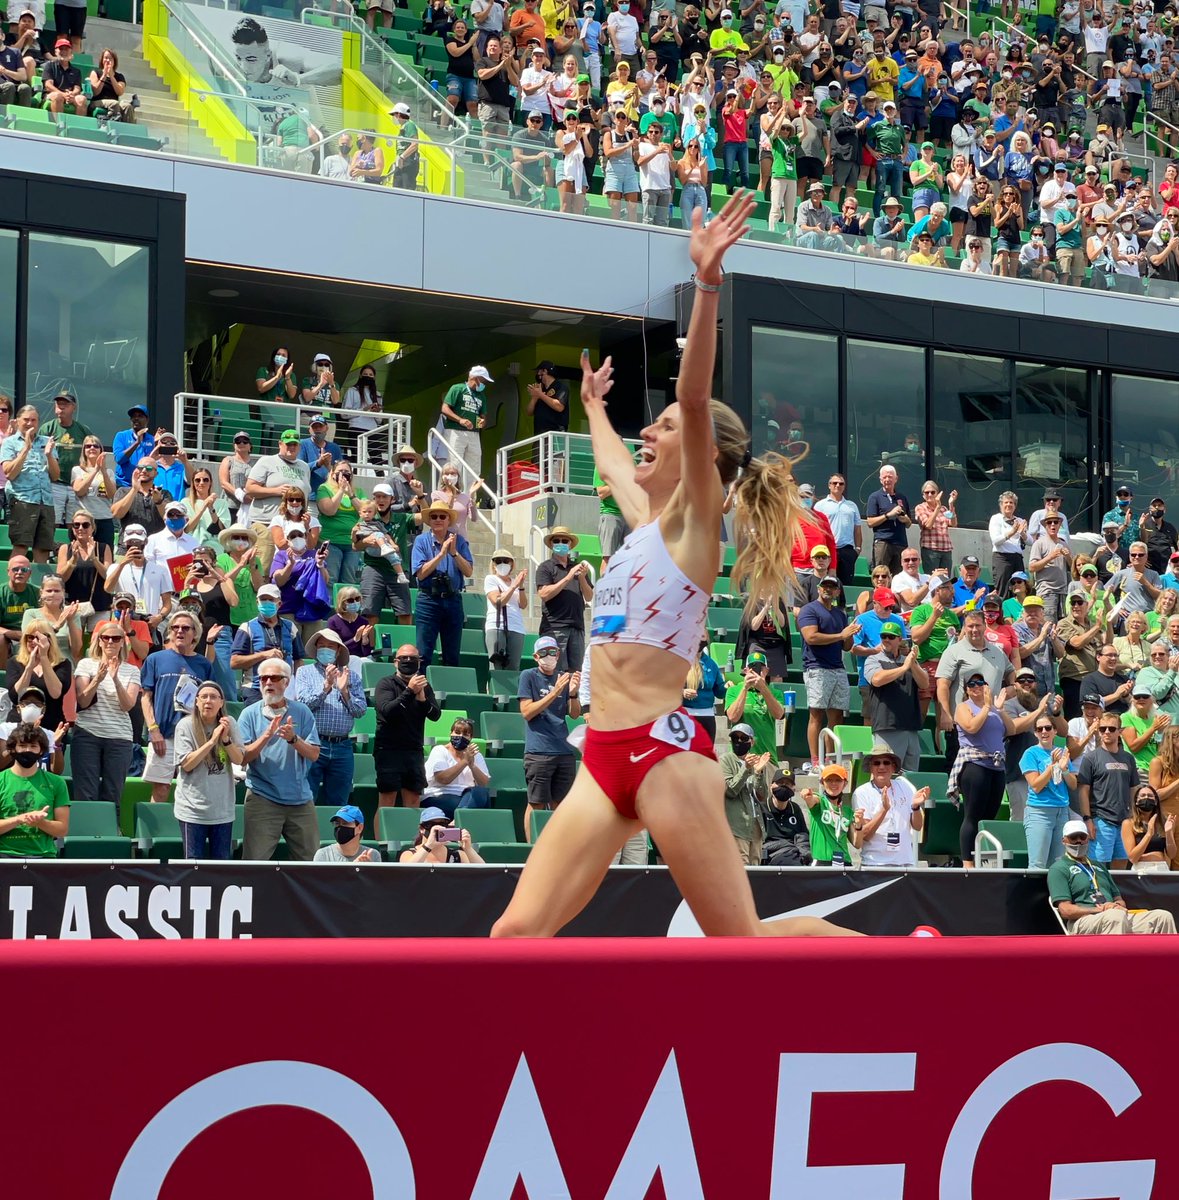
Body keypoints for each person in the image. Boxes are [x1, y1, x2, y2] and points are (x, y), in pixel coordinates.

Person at [493, 194, 860, 940]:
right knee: (514, 937)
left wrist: (707, 286)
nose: (647, 435)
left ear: (703, 457)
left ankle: (912, 970)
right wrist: (592, 408)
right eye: (647, 427)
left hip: (663, 753)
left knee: (741, 944)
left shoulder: (697, 521)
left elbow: (693, 400)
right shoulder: (641, 525)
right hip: (600, 755)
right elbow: (610, 461)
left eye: (656, 428)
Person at [1048, 819, 1176, 933]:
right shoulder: (1059, 868)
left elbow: (1119, 899)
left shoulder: (1099, 866)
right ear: (1064, 840)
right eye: (1073, 837)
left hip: (1113, 915)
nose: (1078, 841)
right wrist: (1101, 910)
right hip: (1083, 920)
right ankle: (1116, 960)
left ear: (1088, 839)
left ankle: (1168, 960)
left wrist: (1116, 905)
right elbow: (1065, 910)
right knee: (1115, 917)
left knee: (1163, 917)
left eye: (1082, 837)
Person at [139, 610, 213, 803]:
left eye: (185, 628)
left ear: (195, 633)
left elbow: (210, 701)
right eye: (175, 627)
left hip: (193, 737)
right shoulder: (155, 659)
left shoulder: (204, 664)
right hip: (162, 735)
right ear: (169, 632)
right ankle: (152, 834)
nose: (180, 631)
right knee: (161, 789)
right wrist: (153, 730)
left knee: (191, 789)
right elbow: (146, 698)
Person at [70, 617, 139, 818]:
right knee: (86, 793)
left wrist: (115, 678)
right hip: (88, 734)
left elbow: (127, 705)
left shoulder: (132, 670)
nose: (110, 641)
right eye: (106, 637)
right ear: (99, 640)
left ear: (122, 642)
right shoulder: (86, 664)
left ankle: (110, 836)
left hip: (119, 738)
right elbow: (83, 701)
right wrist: (98, 679)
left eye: (115, 638)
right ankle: (86, 836)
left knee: (113, 794)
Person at [294, 628, 366, 807]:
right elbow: (304, 704)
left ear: (338, 650)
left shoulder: (352, 676)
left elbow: (360, 710)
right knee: (306, 799)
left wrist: (344, 691)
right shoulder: (305, 672)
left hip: (343, 746)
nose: (325, 649)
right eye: (322, 645)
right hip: (313, 742)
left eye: (330, 646)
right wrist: (326, 686)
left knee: (339, 802)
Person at [950, 675, 1016, 864]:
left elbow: (1010, 729)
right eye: (972, 684)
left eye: (981, 683)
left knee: (989, 815)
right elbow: (971, 727)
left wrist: (1000, 708)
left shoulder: (995, 708)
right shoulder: (964, 707)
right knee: (973, 814)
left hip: (996, 765)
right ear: (967, 689)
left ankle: (981, 857)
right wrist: (987, 706)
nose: (976, 687)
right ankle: (967, 863)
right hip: (974, 764)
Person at [519, 634, 581, 838]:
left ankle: (555, 846)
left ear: (558, 653)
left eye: (552, 652)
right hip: (539, 751)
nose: (549, 656)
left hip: (563, 750)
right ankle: (530, 848)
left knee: (560, 805)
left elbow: (573, 713)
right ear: (536, 656)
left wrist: (572, 693)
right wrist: (554, 693)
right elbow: (527, 711)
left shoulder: (563, 677)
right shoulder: (528, 676)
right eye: (544, 653)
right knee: (535, 803)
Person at [173, 681, 243, 860]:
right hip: (192, 810)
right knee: (193, 865)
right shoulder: (185, 725)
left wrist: (225, 739)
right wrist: (212, 741)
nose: (208, 701)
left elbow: (239, 759)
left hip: (222, 811)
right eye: (203, 697)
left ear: (221, 702)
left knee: (221, 866)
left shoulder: (230, 723)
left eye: (213, 697)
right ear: (196, 701)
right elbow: (187, 764)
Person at [796, 574, 858, 771]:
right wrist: (842, 634)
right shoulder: (809, 609)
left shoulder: (840, 615)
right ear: (819, 588)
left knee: (837, 715)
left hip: (838, 667)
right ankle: (815, 760)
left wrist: (852, 633)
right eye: (825, 586)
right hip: (816, 667)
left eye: (832, 586)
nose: (828, 589)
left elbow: (847, 646)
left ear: (838, 591)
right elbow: (811, 637)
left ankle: (830, 759)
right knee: (816, 714)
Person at [374, 644, 441, 812]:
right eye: (404, 658)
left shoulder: (424, 685)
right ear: (396, 662)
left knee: (413, 801)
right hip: (389, 750)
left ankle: (411, 838)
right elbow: (388, 712)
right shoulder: (386, 683)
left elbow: (435, 715)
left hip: (414, 751)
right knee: (387, 803)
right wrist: (410, 691)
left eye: (413, 658)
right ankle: (383, 838)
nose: (409, 661)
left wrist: (422, 700)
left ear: (419, 663)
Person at [412, 501, 473, 667]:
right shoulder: (421, 541)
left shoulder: (459, 541)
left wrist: (454, 553)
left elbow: (468, 571)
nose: (438, 519)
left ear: (448, 520)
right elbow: (421, 573)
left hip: (453, 599)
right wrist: (441, 554)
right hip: (428, 600)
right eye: (434, 516)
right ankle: (420, 691)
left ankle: (451, 690)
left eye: (442, 516)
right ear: (429, 520)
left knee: (452, 654)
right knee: (423, 653)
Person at [851, 742, 929, 867]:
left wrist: (915, 807)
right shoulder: (861, 793)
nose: (882, 767)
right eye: (877, 763)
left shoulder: (905, 786)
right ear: (871, 768)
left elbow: (918, 826)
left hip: (905, 862)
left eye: (886, 762)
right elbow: (865, 835)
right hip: (875, 863)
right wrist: (884, 809)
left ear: (893, 767)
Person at [244, 430, 311, 573]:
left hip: (292, 527)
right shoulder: (267, 461)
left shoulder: (304, 467)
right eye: (287, 444)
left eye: (294, 444)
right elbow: (249, 488)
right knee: (262, 567)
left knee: (288, 569)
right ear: (280, 444)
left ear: (299, 447)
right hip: (266, 523)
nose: (291, 447)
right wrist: (275, 491)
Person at [865, 621, 928, 770]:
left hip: (910, 726)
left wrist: (912, 664)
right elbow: (877, 679)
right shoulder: (873, 659)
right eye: (883, 636)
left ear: (900, 639)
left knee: (910, 777)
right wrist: (904, 667)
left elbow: (924, 683)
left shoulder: (908, 661)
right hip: (887, 725)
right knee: (885, 774)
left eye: (891, 637)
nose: (886, 639)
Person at [1077, 716, 1138, 867]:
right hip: (1101, 820)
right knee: (1098, 867)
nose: (1107, 732)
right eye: (1102, 729)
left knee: (1121, 868)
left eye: (1111, 729)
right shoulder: (1090, 758)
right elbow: (1083, 791)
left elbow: (1133, 789)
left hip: (1124, 821)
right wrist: (1087, 819)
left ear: (1120, 731)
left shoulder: (1128, 758)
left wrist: (1134, 817)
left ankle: (1116, 892)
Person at [230, 582, 305, 705]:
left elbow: (299, 660)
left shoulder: (290, 627)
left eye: (270, 600)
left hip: (285, 689)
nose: (266, 602)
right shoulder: (247, 627)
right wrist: (263, 655)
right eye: (263, 599)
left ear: (279, 604)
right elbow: (234, 662)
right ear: (257, 602)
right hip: (255, 689)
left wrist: (299, 684)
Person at [1, 404, 59, 563]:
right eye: (26, 420)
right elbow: (10, 473)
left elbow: (55, 475)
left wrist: (49, 455)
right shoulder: (10, 443)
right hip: (23, 501)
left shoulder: (47, 442)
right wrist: (26, 449)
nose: (30, 423)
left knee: (43, 548)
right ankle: (15, 584)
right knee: (21, 546)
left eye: (34, 420)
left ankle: (39, 585)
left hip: (46, 502)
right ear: (18, 421)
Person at [0, 724, 68, 857]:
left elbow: (62, 829)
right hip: (4, 855)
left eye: (33, 746)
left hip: (43, 856)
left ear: (41, 751)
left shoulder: (56, 783)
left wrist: (41, 822)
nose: (27, 750)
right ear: (12, 749)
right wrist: (19, 819)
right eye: (22, 746)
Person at [1021, 710, 1078, 868]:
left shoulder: (1061, 752)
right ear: (1035, 733)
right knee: (1037, 864)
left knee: (1059, 865)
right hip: (1040, 812)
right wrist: (1053, 766)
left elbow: (1073, 785)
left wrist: (1065, 768)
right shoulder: (1030, 754)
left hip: (1062, 811)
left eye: (1047, 728)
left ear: (1055, 731)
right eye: (1040, 729)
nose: (1044, 732)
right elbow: (1036, 785)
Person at [535, 525, 592, 674]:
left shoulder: (578, 568)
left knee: (576, 673)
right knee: (555, 670)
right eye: (557, 540)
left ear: (570, 544)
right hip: (555, 627)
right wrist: (568, 577)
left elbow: (589, 596)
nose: (561, 543)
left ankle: (572, 698)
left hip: (577, 627)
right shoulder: (545, 567)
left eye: (565, 540)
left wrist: (581, 578)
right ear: (552, 544)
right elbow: (544, 593)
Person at [354, 488, 413, 628]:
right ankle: (369, 646)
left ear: (392, 499)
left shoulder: (402, 517)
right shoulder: (366, 517)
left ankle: (405, 648)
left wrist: (421, 495)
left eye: (384, 497)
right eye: (377, 497)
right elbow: (355, 546)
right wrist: (366, 541)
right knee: (369, 611)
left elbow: (425, 517)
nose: (380, 500)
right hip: (373, 567)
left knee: (405, 612)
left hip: (396, 570)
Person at [719, 722, 770, 865]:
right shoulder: (726, 760)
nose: (739, 741)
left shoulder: (756, 761)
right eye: (735, 738)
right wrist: (746, 769)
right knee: (741, 867)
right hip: (736, 825)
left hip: (755, 825)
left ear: (752, 741)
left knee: (755, 869)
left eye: (743, 738)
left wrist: (759, 772)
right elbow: (730, 790)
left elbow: (762, 796)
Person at [39, 390, 91, 528]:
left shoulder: (83, 430)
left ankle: (73, 550)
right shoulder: (47, 428)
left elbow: (91, 455)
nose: (61, 407)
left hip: (76, 485)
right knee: (51, 523)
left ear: (74, 407)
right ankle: (50, 550)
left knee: (75, 524)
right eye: (58, 404)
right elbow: (38, 455)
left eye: (65, 404)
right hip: (54, 484)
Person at [422, 716, 491, 816]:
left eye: (465, 734)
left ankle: (457, 820)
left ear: (471, 738)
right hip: (439, 795)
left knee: (481, 792)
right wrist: (464, 762)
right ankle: (460, 819)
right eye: (457, 733)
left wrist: (472, 765)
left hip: (466, 796)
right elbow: (443, 779)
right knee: (480, 806)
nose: (461, 736)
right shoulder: (439, 750)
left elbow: (483, 783)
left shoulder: (475, 755)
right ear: (450, 733)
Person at [438, 365, 491, 488]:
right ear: (476, 378)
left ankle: (469, 496)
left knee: (474, 465)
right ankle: (450, 492)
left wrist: (483, 422)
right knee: (454, 464)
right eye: (483, 381)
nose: (484, 384)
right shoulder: (457, 388)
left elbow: (483, 416)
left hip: (474, 433)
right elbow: (445, 408)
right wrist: (460, 420)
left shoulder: (481, 395)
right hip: (455, 431)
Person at [316, 460, 363, 586]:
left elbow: (365, 512)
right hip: (331, 542)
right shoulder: (324, 489)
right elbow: (329, 510)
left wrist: (351, 495)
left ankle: (347, 605)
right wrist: (341, 490)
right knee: (330, 579)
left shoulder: (358, 491)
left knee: (349, 580)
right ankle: (330, 605)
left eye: (346, 472)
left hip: (351, 544)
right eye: (340, 472)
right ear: (332, 474)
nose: (343, 474)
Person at [798, 763, 855, 867]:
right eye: (829, 780)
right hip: (822, 862)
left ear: (845, 784)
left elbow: (857, 843)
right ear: (822, 783)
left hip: (845, 862)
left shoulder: (847, 811)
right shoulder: (820, 802)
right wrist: (807, 796)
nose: (833, 783)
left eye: (838, 780)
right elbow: (812, 800)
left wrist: (859, 826)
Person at [20, 573, 81, 664]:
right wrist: (56, 626)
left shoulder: (72, 615)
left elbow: (76, 651)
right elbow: (30, 642)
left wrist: (70, 621)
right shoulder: (31, 614)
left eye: (57, 591)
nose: (53, 594)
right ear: (41, 592)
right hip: (37, 662)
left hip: (64, 664)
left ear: (63, 593)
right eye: (49, 591)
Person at [814, 472, 861, 584]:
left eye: (841, 483)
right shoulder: (820, 505)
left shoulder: (852, 506)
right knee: (825, 583)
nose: (838, 485)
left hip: (847, 551)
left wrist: (858, 549)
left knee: (845, 585)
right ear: (829, 485)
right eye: (834, 483)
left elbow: (857, 529)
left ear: (844, 486)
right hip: (826, 550)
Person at [70, 438, 116, 552]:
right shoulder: (77, 470)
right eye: (88, 446)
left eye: (96, 446)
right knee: (81, 553)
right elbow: (79, 491)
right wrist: (95, 470)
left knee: (105, 554)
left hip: (104, 519)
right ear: (83, 450)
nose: (92, 448)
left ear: (101, 450)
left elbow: (111, 494)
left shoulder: (109, 472)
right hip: (84, 521)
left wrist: (103, 471)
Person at [864, 463, 911, 573]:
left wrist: (906, 520)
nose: (887, 479)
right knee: (881, 574)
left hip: (901, 542)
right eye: (884, 477)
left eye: (890, 477)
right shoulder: (875, 497)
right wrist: (888, 515)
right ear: (880, 479)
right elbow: (870, 522)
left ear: (896, 479)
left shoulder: (902, 497)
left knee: (899, 578)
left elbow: (909, 524)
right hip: (883, 542)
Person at [485, 548, 527, 670]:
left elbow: (523, 604)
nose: (502, 563)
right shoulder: (491, 579)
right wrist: (514, 586)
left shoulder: (515, 582)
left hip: (516, 627)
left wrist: (521, 586)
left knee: (513, 667)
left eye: (506, 560)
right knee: (496, 665)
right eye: (498, 561)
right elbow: (498, 601)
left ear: (511, 564)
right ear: (493, 564)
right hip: (497, 626)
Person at [760, 768, 812, 866]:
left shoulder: (795, 808)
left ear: (793, 789)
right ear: (771, 786)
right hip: (772, 855)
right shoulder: (762, 808)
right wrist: (787, 847)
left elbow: (803, 836)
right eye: (780, 783)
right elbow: (759, 842)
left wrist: (804, 855)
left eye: (788, 784)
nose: (784, 786)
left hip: (795, 855)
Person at [399, 807, 485, 864]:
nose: (437, 828)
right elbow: (407, 872)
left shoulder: (458, 855)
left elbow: (484, 873)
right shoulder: (409, 854)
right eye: (431, 825)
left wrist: (468, 849)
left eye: (442, 824)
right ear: (421, 829)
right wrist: (429, 846)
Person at [1120, 784, 1175, 869]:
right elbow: (1133, 858)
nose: (1146, 798)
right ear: (1136, 801)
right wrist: (1149, 834)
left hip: (1161, 868)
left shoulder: (1163, 822)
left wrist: (1169, 833)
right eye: (1142, 796)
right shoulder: (1128, 824)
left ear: (1156, 801)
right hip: (1141, 869)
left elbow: (1171, 854)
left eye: (1150, 796)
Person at [683, 636, 726, 743]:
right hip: (686, 715)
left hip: (707, 716)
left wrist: (727, 688)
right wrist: (682, 692)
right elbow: (666, 688)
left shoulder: (711, 663)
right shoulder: (679, 660)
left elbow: (719, 692)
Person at [912, 480, 957, 575]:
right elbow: (928, 525)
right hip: (930, 550)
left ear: (937, 494)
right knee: (932, 579)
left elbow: (953, 523)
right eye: (927, 492)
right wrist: (937, 508)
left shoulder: (944, 509)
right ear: (923, 495)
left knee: (944, 581)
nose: (929, 494)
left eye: (932, 492)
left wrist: (951, 504)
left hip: (946, 549)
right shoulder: (920, 508)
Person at [314, 804, 381, 863]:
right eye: (337, 823)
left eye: (345, 823)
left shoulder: (372, 855)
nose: (340, 827)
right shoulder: (323, 855)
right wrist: (353, 868)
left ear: (359, 828)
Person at [1081, 644, 1134, 716]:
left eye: (1115, 655)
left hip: (1126, 719)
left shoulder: (1124, 679)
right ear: (1098, 657)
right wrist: (1116, 695)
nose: (1113, 658)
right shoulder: (1090, 680)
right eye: (1109, 655)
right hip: (1103, 722)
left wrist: (1126, 695)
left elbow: (1134, 703)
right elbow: (1090, 705)